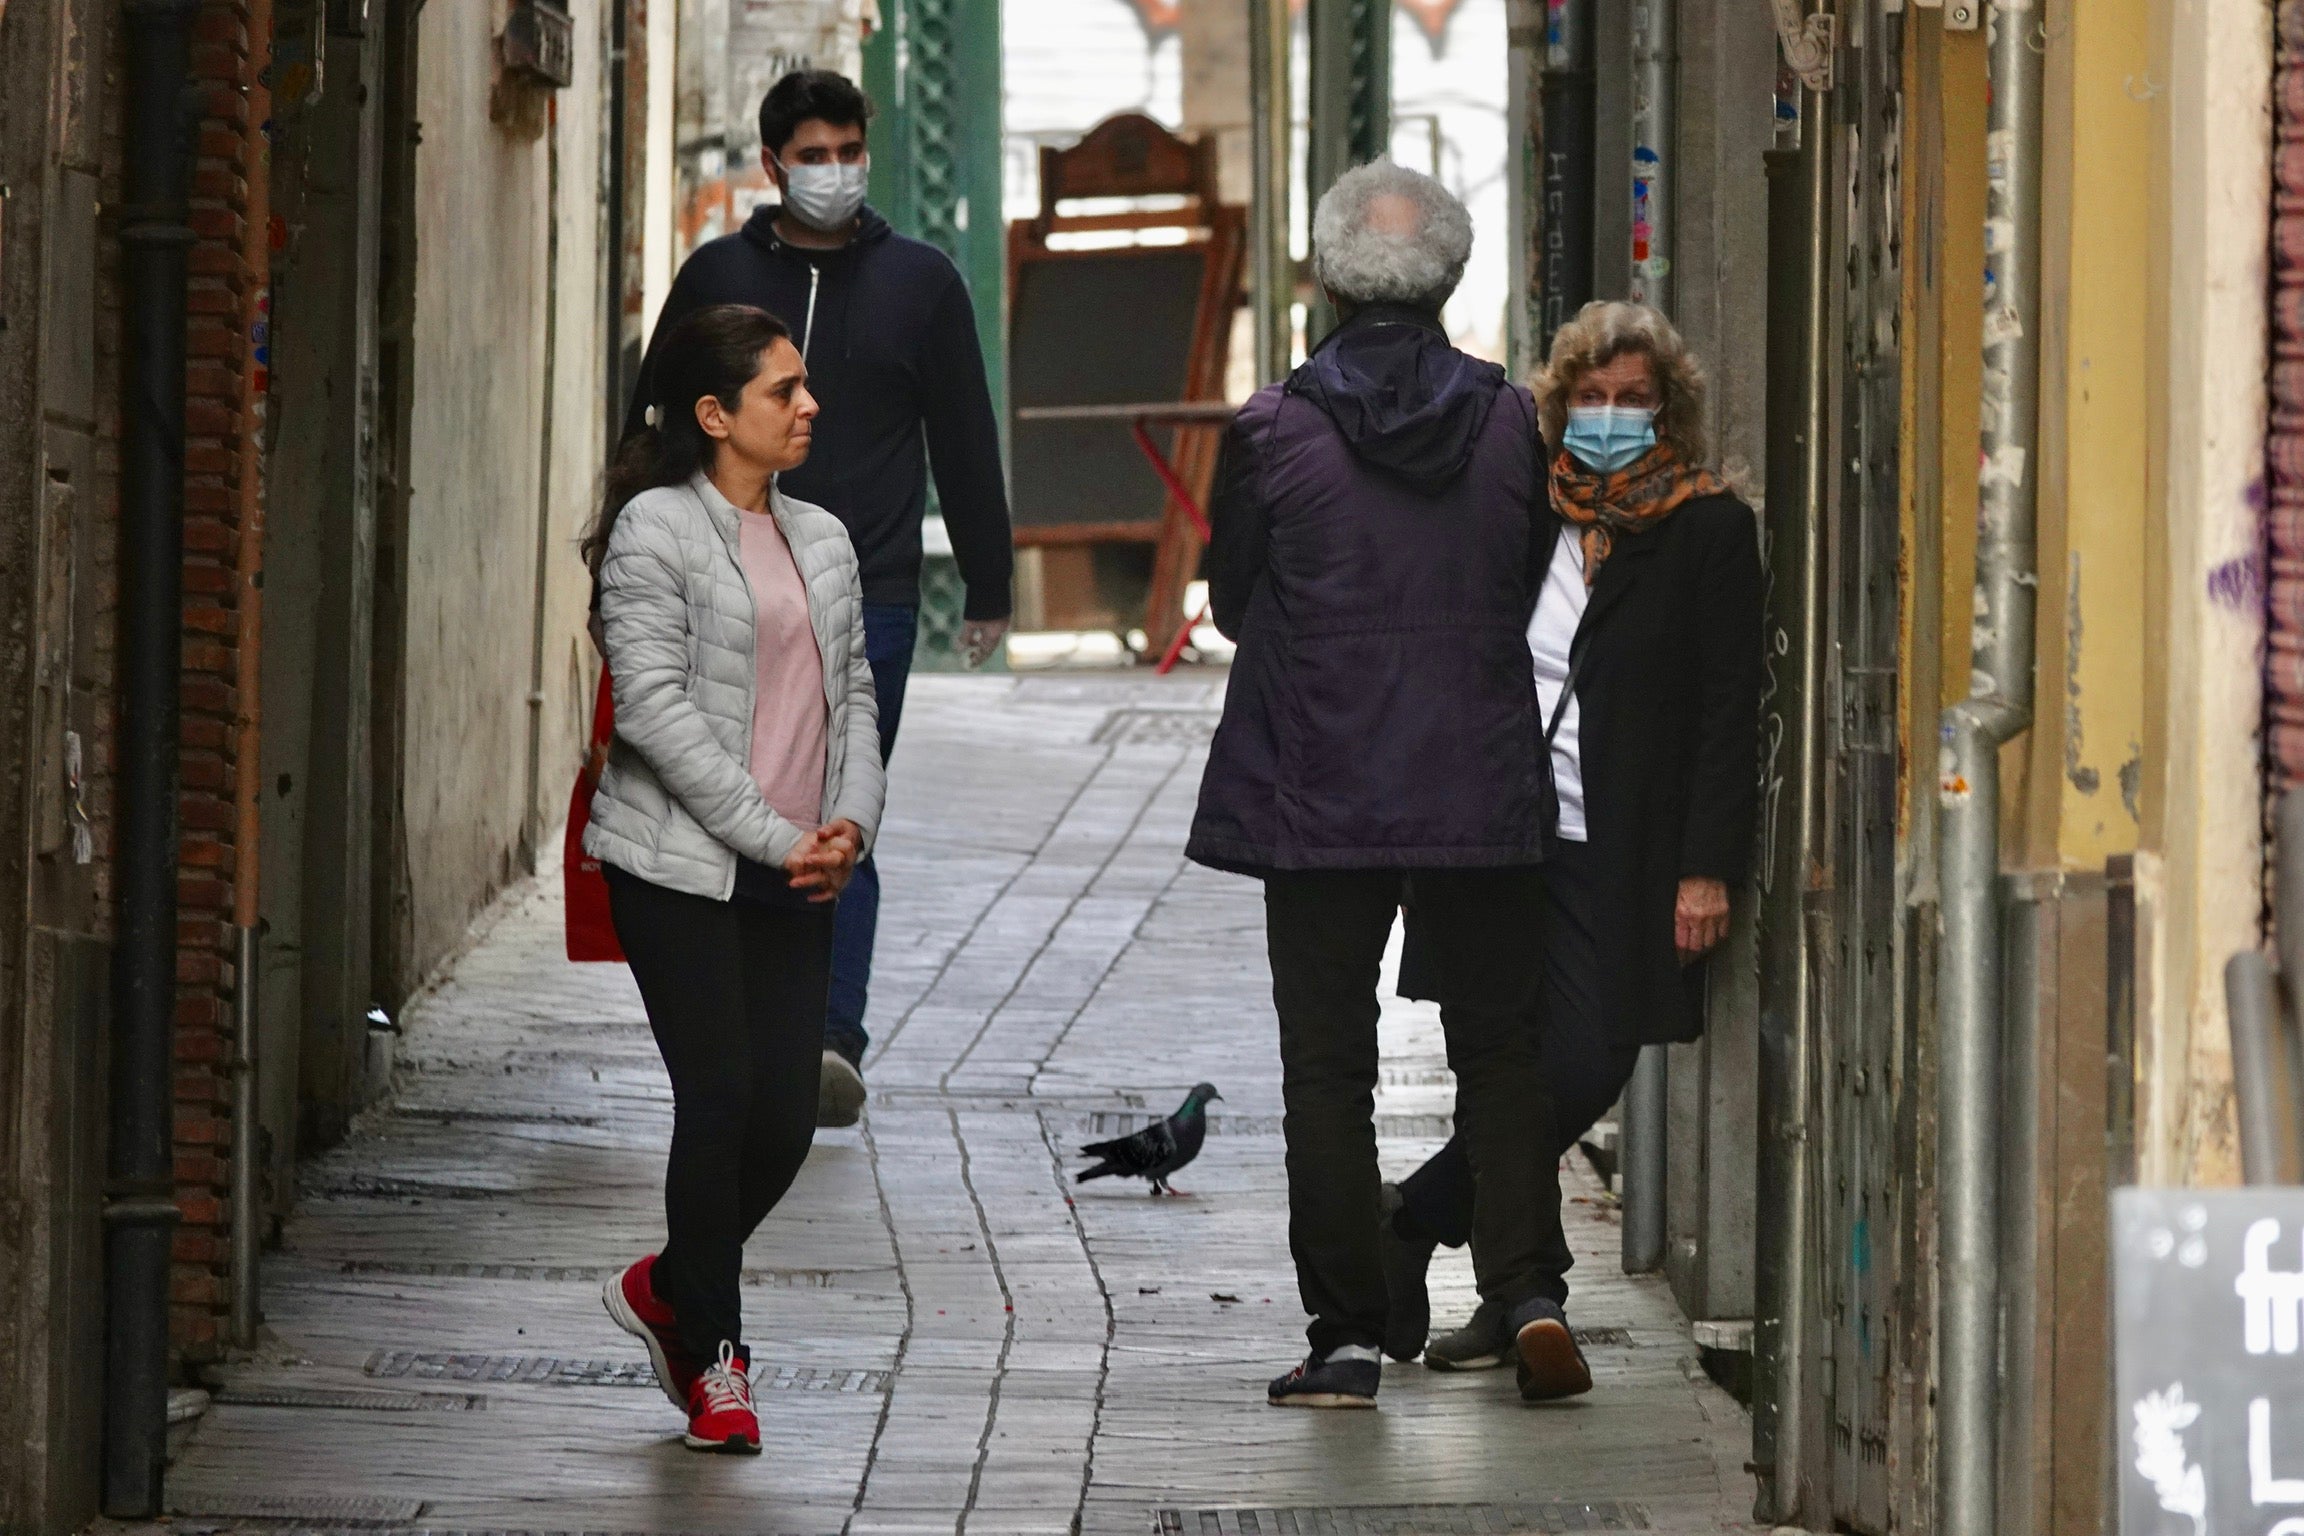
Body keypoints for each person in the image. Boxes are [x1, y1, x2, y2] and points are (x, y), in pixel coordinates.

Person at [1187, 161, 1570, 1411]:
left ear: (1328, 278)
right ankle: (1527, 1296)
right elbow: (1512, 583)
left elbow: (1235, 600)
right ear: (1451, 277)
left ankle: (1347, 1336)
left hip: (1321, 784)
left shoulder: (1274, 428)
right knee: (1501, 1050)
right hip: (1478, 778)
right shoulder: (1512, 422)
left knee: (1327, 1068)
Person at [1376, 299, 1763, 1382]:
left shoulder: (1708, 529)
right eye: (1587, 399)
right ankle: (1523, 1295)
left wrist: (1706, 865)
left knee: (1590, 1056)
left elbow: (1732, 710)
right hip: (1500, 831)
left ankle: (1414, 1216)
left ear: (1667, 409)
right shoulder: (1523, 514)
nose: (1606, 418)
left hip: (1623, 847)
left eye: (1630, 400)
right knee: (1500, 1059)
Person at [628, 68, 1013, 1128]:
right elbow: (652, 421)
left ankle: (828, 1039)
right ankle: (747, 1023)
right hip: (718, 584)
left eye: (850, 150)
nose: (835, 172)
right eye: (815, 154)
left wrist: (990, 579)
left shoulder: (923, 285)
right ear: (771, 163)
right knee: (731, 804)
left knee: (841, 805)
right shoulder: (716, 274)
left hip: (867, 593)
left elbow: (965, 434)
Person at [586, 303, 885, 1454]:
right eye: (781, 391)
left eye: (804, 385)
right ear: (714, 415)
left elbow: (854, 694)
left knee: (783, 1122)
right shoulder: (654, 532)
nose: (807, 405)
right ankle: (717, 1363)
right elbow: (655, 711)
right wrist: (773, 832)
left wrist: (847, 821)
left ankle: (670, 1285)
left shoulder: (824, 538)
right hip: (680, 869)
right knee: (716, 1100)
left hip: (800, 867)